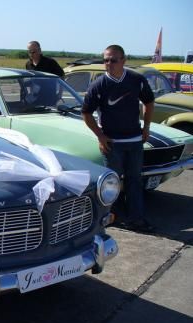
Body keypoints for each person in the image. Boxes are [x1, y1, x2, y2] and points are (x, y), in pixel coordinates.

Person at [81, 44, 155, 232]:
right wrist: (100, 135)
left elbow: (149, 101)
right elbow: (86, 113)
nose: (109, 64)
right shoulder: (99, 85)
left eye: (113, 60)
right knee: (110, 183)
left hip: (134, 142)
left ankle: (136, 219)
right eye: (105, 60)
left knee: (134, 181)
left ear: (124, 60)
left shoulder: (136, 80)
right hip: (112, 145)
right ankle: (106, 217)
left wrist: (146, 127)